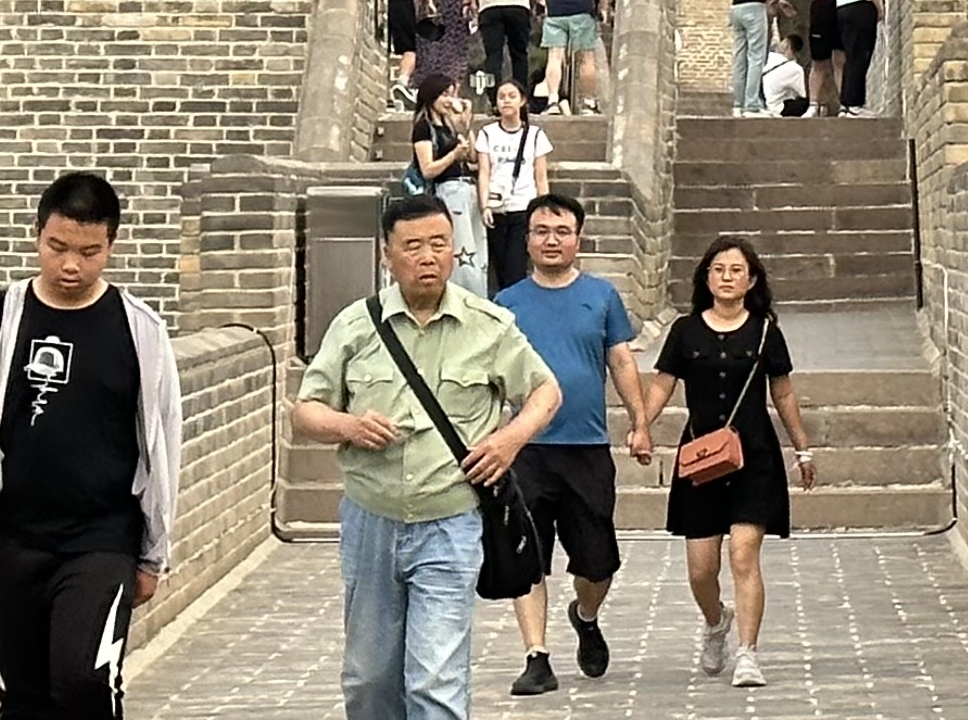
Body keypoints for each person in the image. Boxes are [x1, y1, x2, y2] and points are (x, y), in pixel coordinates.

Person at [0, 171, 187, 720]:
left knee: (83, 685)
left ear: (111, 245)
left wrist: (154, 552)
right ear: (37, 234)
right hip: (9, 536)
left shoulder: (140, 330)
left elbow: (164, 444)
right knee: (26, 696)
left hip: (101, 537)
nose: (70, 266)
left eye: (89, 252)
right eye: (57, 247)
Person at [296, 194, 560, 720]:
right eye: (412, 246)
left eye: (439, 244)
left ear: (454, 249)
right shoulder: (355, 325)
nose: (428, 257)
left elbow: (545, 391)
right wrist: (348, 424)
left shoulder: (488, 326)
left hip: (451, 522)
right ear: (387, 256)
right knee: (368, 679)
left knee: (434, 680)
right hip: (371, 523)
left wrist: (508, 441)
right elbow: (306, 410)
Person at [493, 194, 652, 697]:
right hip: (527, 451)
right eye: (541, 231)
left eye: (561, 231)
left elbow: (622, 363)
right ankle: (536, 656)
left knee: (598, 561)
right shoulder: (507, 304)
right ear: (528, 240)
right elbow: (491, 377)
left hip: (587, 446)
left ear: (578, 239)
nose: (551, 240)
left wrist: (640, 422)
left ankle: (585, 614)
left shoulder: (601, 297)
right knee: (527, 556)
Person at [634, 238, 811, 688]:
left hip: (755, 457)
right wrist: (642, 425)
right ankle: (716, 621)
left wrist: (802, 448)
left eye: (736, 270)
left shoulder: (766, 332)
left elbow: (783, 392)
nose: (727, 276)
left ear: (751, 281)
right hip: (701, 460)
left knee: (743, 554)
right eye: (718, 269)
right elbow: (662, 385)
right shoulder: (684, 331)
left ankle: (749, 653)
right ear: (706, 278)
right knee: (700, 569)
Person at [410, 75, 488, 302]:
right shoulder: (423, 127)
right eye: (444, 94)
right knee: (462, 253)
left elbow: (473, 157)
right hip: (449, 190)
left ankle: (478, 299)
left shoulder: (450, 124)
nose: (449, 100)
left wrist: (466, 125)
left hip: (468, 189)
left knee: (477, 251)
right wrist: (452, 155)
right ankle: (462, 298)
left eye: (452, 94)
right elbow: (428, 169)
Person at [473, 78, 551, 297]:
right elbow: (484, 172)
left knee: (516, 268)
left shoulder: (535, 135)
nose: (506, 101)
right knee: (497, 268)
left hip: (523, 207)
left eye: (511, 96)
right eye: (501, 97)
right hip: (497, 208)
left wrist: (543, 210)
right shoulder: (487, 133)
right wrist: (485, 205)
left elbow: (541, 176)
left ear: (522, 100)